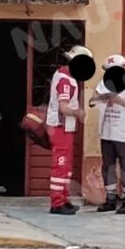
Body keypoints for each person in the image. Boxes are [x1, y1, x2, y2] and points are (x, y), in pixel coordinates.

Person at [89, 55, 125, 214]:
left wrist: (120, 101)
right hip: (107, 130)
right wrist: (103, 97)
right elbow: (92, 101)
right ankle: (110, 199)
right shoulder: (104, 83)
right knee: (108, 166)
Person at [45, 45, 94, 215]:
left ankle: (64, 200)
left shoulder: (66, 76)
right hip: (60, 127)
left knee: (65, 166)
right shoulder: (66, 80)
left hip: (65, 127)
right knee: (61, 165)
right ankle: (57, 203)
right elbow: (63, 108)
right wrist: (78, 113)